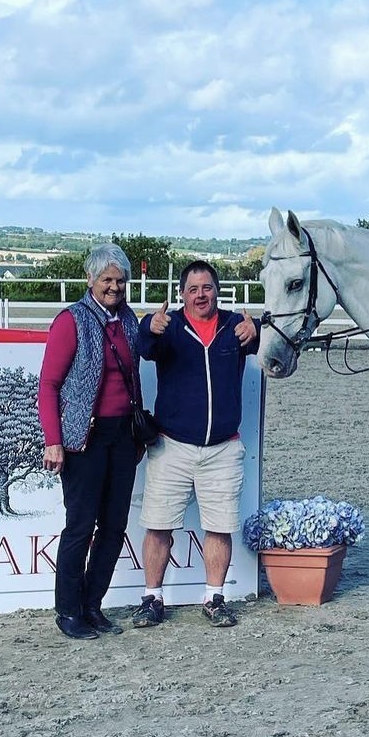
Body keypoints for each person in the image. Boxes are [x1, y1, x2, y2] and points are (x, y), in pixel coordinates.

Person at [132, 260, 259, 628]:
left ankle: (214, 598)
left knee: (219, 527)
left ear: (216, 290)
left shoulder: (236, 327)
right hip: (172, 446)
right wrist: (149, 328)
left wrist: (260, 330)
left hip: (222, 448)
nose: (201, 295)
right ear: (182, 294)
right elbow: (144, 346)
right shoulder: (169, 327)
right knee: (158, 525)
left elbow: (275, 349)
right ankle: (151, 598)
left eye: (206, 288)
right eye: (193, 289)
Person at [39, 243, 142, 640]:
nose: (114, 287)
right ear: (91, 280)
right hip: (84, 438)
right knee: (80, 527)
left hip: (122, 437)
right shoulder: (71, 321)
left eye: (120, 280)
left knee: (114, 527)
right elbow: (48, 386)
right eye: (107, 280)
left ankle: (92, 605)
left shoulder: (129, 320)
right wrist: (54, 441)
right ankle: (68, 611)